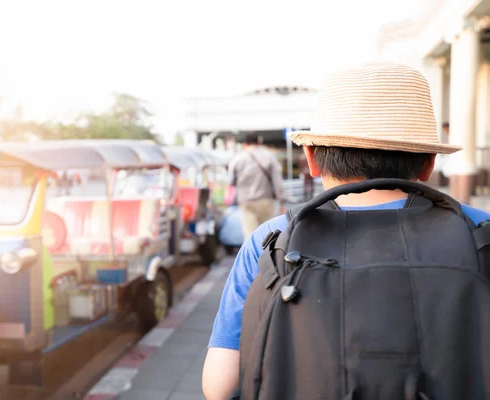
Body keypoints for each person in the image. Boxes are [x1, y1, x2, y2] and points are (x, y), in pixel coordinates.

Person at [202, 63, 490, 400]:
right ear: (428, 163)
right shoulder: (478, 231)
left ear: (311, 159)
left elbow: (219, 387)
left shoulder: (273, 238)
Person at [227, 132, 285, 239]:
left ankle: (253, 255)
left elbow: (231, 181)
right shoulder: (269, 157)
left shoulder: (237, 159)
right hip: (266, 200)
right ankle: (266, 255)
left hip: (246, 201)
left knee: (250, 235)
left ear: (244, 144)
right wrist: (281, 200)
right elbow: (277, 181)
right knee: (268, 234)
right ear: (259, 142)